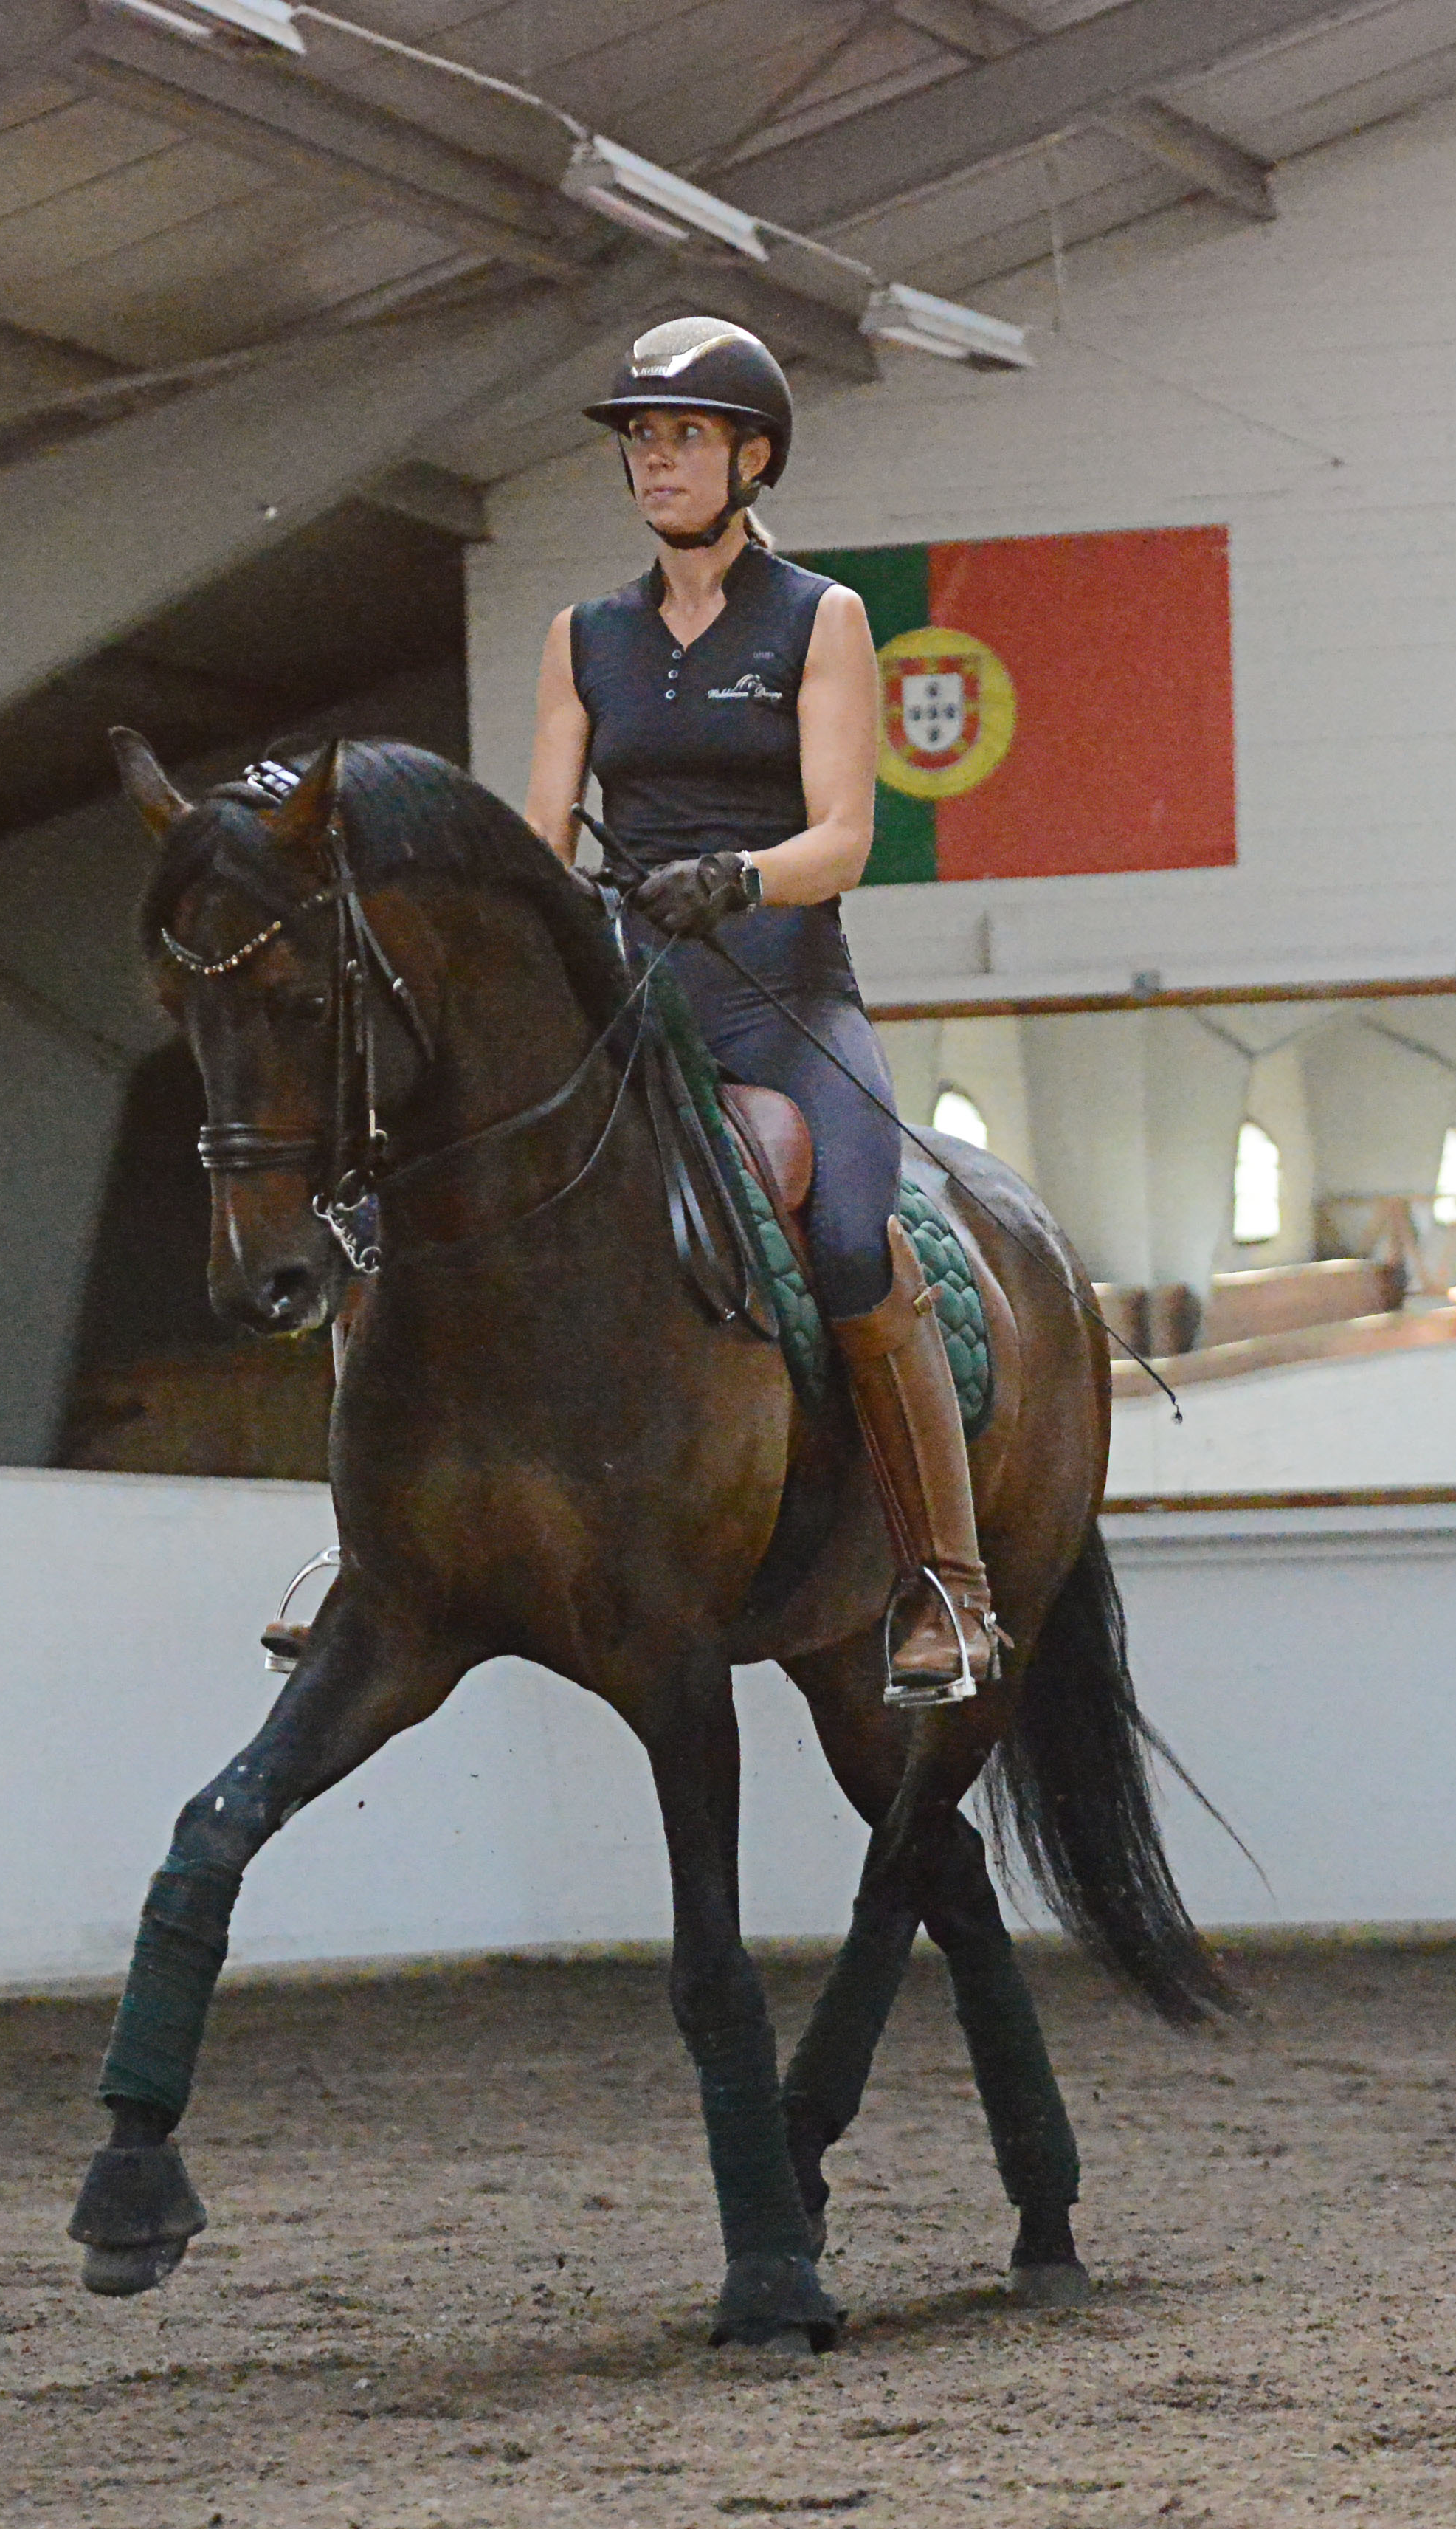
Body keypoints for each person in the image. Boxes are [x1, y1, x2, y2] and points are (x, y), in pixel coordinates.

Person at [521, 315, 1001, 1707]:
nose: (655, 461)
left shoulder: (820, 618)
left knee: (851, 1240)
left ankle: (948, 1583)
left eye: (681, 437)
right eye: (640, 439)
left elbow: (845, 837)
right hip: (635, 1001)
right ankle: (379, 1549)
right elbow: (548, 835)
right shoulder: (583, 638)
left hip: (780, 995)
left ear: (753, 457)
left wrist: (731, 877)